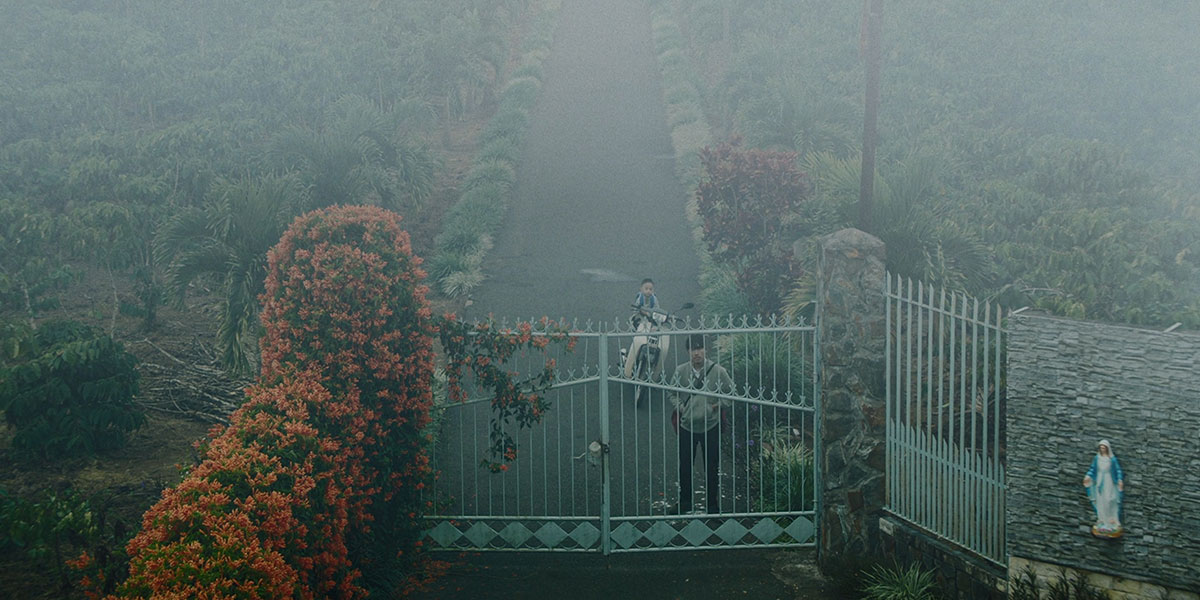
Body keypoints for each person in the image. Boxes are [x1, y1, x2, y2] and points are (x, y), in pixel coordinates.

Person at [670, 334, 734, 514]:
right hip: (687, 426)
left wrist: (715, 406)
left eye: (699, 348)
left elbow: (731, 393)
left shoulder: (717, 371)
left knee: (712, 468)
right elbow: (671, 394)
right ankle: (685, 502)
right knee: (685, 466)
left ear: (705, 350)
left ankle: (712, 506)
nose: (696, 353)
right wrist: (681, 408)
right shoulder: (681, 371)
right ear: (688, 351)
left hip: (710, 426)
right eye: (693, 349)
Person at [1082, 439, 1124, 537]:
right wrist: (1088, 476)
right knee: (1101, 500)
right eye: (1101, 447)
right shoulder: (1097, 458)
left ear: (1107, 448)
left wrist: (1120, 480)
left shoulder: (1112, 459)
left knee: (1109, 499)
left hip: (1109, 480)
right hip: (1099, 480)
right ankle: (1103, 520)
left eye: (1104, 447)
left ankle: (1111, 519)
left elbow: (1118, 470)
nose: (1102, 449)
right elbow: (1093, 469)